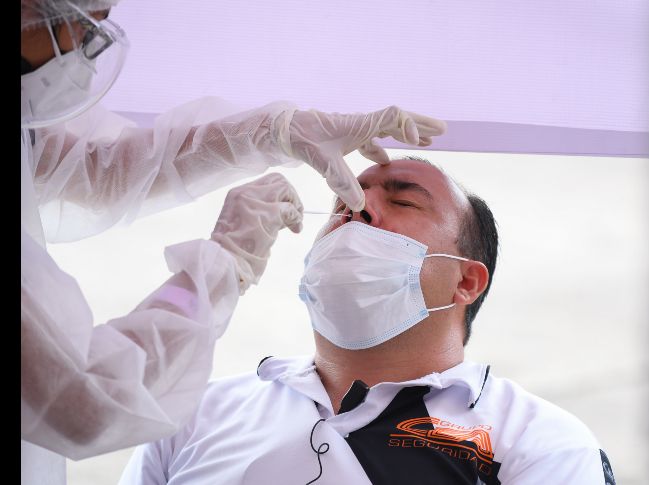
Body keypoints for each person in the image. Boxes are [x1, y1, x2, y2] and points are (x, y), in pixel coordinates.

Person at [20, 1, 446, 483]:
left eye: (406, 202)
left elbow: (91, 167)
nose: (87, 48)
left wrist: (274, 133)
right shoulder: (204, 422)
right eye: (82, 23)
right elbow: (86, 398)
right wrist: (223, 263)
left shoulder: (516, 435)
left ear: (468, 279)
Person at [119, 157, 617, 485]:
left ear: (466, 282)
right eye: (343, 201)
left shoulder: (537, 440)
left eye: (402, 201)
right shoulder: (191, 414)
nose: (359, 210)